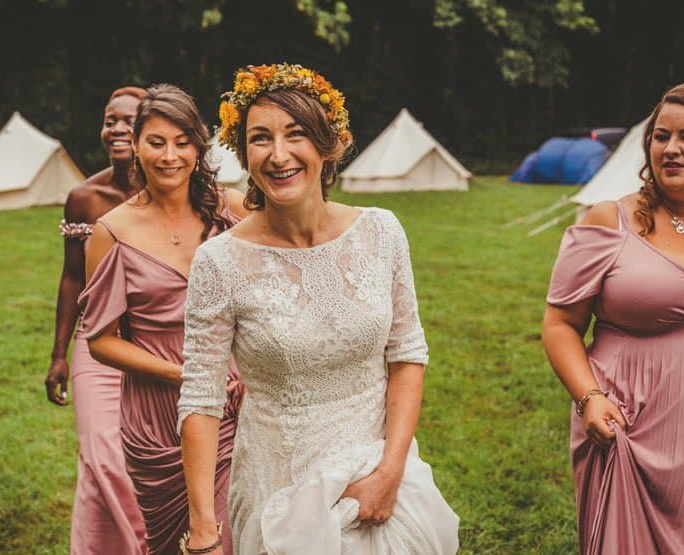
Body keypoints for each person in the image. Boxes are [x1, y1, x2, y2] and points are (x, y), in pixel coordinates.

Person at [178, 63, 459, 554]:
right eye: (260, 138)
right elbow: (201, 397)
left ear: (330, 145)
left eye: (297, 134)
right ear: (243, 152)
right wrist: (203, 527)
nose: (279, 154)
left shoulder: (382, 231)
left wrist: (389, 473)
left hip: (378, 473)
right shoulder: (218, 262)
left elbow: (407, 353)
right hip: (279, 489)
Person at [80, 83, 249, 554]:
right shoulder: (111, 232)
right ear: (136, 145)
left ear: (199, 146)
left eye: (182, 142)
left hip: (234, 402)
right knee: (168, 544)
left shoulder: (230, 210)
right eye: (156, 142)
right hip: (156, 417)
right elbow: (101, 340)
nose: (170, 156)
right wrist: (185, 374)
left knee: (227, 533)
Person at [543, 83, 684, 554]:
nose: (671, 149)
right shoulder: (609, 221)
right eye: (661, 136)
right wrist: (589, 399)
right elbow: (560, 324)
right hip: (628, 420)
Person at [44, 86, 148, 554]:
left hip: (158, 343)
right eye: (110, 120)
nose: (117, 129)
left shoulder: (174, 191)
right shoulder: (84, 197)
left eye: (129, 120)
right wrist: (58, 356)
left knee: (153, 458)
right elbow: (71, 278)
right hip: (96, 343)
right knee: (103, 457)